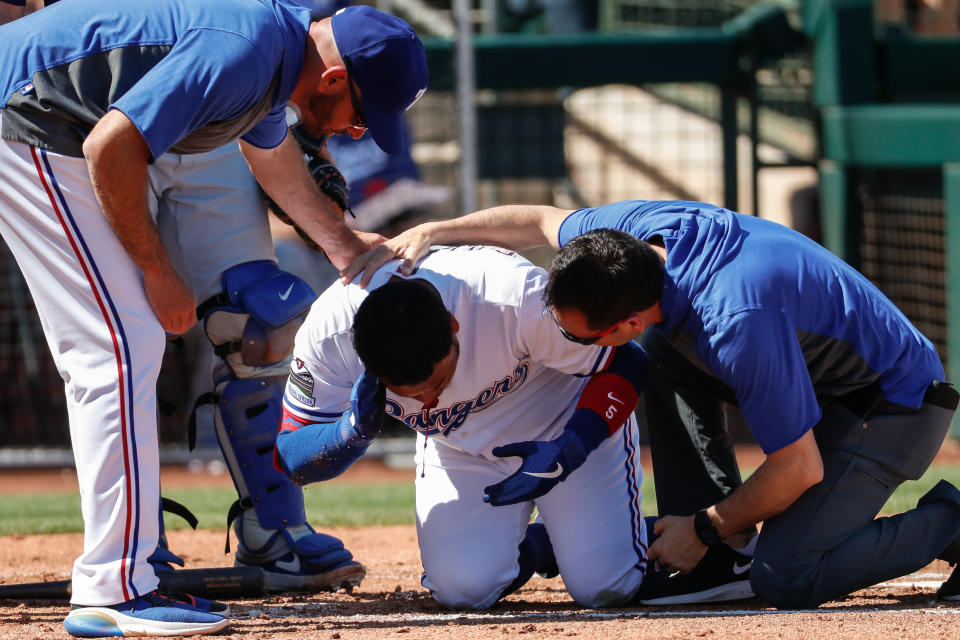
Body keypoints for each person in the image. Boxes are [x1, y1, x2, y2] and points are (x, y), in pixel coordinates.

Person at [0, 0, 427, 636]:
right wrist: (158, 271)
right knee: (116, 347)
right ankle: (114, 590)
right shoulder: (247, 49)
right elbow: (110, 146)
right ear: (334, 80)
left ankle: (131, 569)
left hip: (45, 122)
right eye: (361, 116)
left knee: (125, 344)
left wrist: (346, 248)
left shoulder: (272, 55)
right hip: (31, 123)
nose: (358, 133)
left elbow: (272, 150)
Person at [343, 199, 960, 608]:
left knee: (786, 577)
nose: (571, 346)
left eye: (585, 338)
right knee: (656, 355)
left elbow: (799, 468)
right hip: (821, 384)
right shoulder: (628, 241)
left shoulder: (735, 321)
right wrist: (434, 231)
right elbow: (537, 220)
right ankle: (717, 558)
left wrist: (706, 525)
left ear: (627, 317)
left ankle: (951, 521)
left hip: (891, 405)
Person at [274, 244, 654, 610]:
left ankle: (626, 535)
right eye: (410, 394)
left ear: (454, 326)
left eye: (437, 384)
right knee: (464, 591)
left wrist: (571, 447)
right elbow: (292, 459)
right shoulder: (329, 336)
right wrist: (349, 432)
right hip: (460, 444)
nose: (428, 403)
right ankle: (545, 543)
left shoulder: (510, 296)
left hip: (563, 418)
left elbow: (627, 361)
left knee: (606, 587)